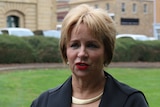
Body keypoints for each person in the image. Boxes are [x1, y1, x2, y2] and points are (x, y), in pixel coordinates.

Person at [30, 4, 148, 107]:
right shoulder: (44, 103)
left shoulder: (131, 102)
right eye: (74, 45)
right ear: (65, 51)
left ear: (107, 52)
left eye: (92, 45)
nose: (82, 54)